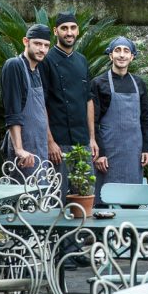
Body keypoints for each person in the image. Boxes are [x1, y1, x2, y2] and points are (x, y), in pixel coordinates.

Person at [38, 12, 98, 195]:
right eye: (64, 28)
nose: (69, 32)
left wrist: (92, 138)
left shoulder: (82, 60)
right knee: (58, 198)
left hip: (82, 143)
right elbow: (41, 103)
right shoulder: (46, 60)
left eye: (72, 28)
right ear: (56, 31)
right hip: (59, 143)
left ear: (78, 31)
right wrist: (49, 142)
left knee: (86, 196)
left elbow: (88, 100)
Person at [92, 36, 148, 204]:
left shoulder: (139, 83)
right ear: (110, 55)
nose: (121, 55)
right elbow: (92, 122)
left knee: (131, 199)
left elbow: (146, 118)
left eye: (126, 51)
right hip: (108, 154)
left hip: (134, 153)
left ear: (132, 56)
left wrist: (147, 148)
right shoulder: (99, 83)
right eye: (117, 50)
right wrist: (100, 154)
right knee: (105, 199)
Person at [0, 24, 51, 176]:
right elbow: (12, 111)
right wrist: (19, 149)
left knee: (41, 194)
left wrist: (49, 142)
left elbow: (42, 109)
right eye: (37, 43)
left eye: (46, 45)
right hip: (24, 150)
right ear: (25, 41)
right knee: (24, 196)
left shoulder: (38, 70)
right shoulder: (14, 66)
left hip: (40, 147)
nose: (42, 49)